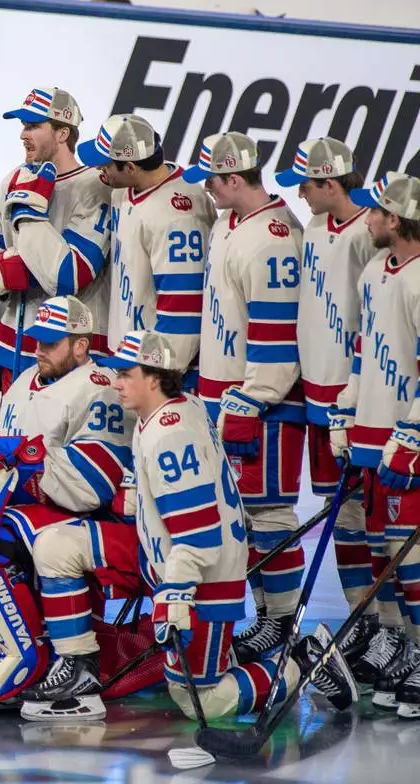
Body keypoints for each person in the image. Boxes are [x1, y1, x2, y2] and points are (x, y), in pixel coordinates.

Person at [104, 330, 355, 723]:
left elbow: (198, 531)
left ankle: (304, 660)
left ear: (153, 378)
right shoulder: (179, 408)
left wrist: (176, 595)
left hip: (203, 583)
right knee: (189, 682)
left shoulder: (169, 436)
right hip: (203, 575)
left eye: (125, 374)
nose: (116, 383)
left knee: (201, 700)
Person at [0, 296, 134, 715]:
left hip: (87, 518)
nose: (39, 350)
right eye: (37, 340)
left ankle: (54, 661)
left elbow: (93, 485)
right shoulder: (25, 378)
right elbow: (1, 447)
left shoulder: (99, 387)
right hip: (25, 507)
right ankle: (2, 650)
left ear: (80, 345)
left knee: (2, 538)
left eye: (51, 343)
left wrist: (28, 464)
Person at [182, 132, 307, 665]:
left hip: (262, 404)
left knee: (270, 512)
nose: (206, 190)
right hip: (225, 395)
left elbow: (276, 334)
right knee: (243, 517)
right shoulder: (228, 222)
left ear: (235, 178)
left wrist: (254, 399)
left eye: (212, 180)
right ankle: (264, 614)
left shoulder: (274, 237)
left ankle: (282, 622)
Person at [275, 137, 381, 669]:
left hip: (355, 401)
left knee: (368, 518)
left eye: (307, 184)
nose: (300, 193)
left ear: (331, 183)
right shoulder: (314, 227)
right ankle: (361, 620)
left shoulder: (368, 234)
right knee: (340, 516)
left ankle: (384, 626)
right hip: (316, 397)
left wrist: (356, 399)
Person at [332, 173, 420, 716]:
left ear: (396, 220)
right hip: (372, 438)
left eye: (376, 212)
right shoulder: (373, 270)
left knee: (413, 559)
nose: (367, 219)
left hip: (406, 444)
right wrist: (346, 408)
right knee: (382, 552)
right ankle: (398, 643)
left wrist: (412, 436)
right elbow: (364, 351)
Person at [0, 87, 111, 384]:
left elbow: (70, 276)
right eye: (23, 126)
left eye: (33, 126)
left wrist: (29, 217)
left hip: (70, 348)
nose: (22, 135)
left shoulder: (95, 186)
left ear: (62, 133)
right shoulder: (13, 180)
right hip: (14, 343)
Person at [77, 114, 215, 374]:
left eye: (105, 164)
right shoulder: (124, 188)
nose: (99, 170)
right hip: (127, 353)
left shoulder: (178, 217)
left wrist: (158, 376)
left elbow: (183, 311)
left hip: (151, 367)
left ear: (131, 167)